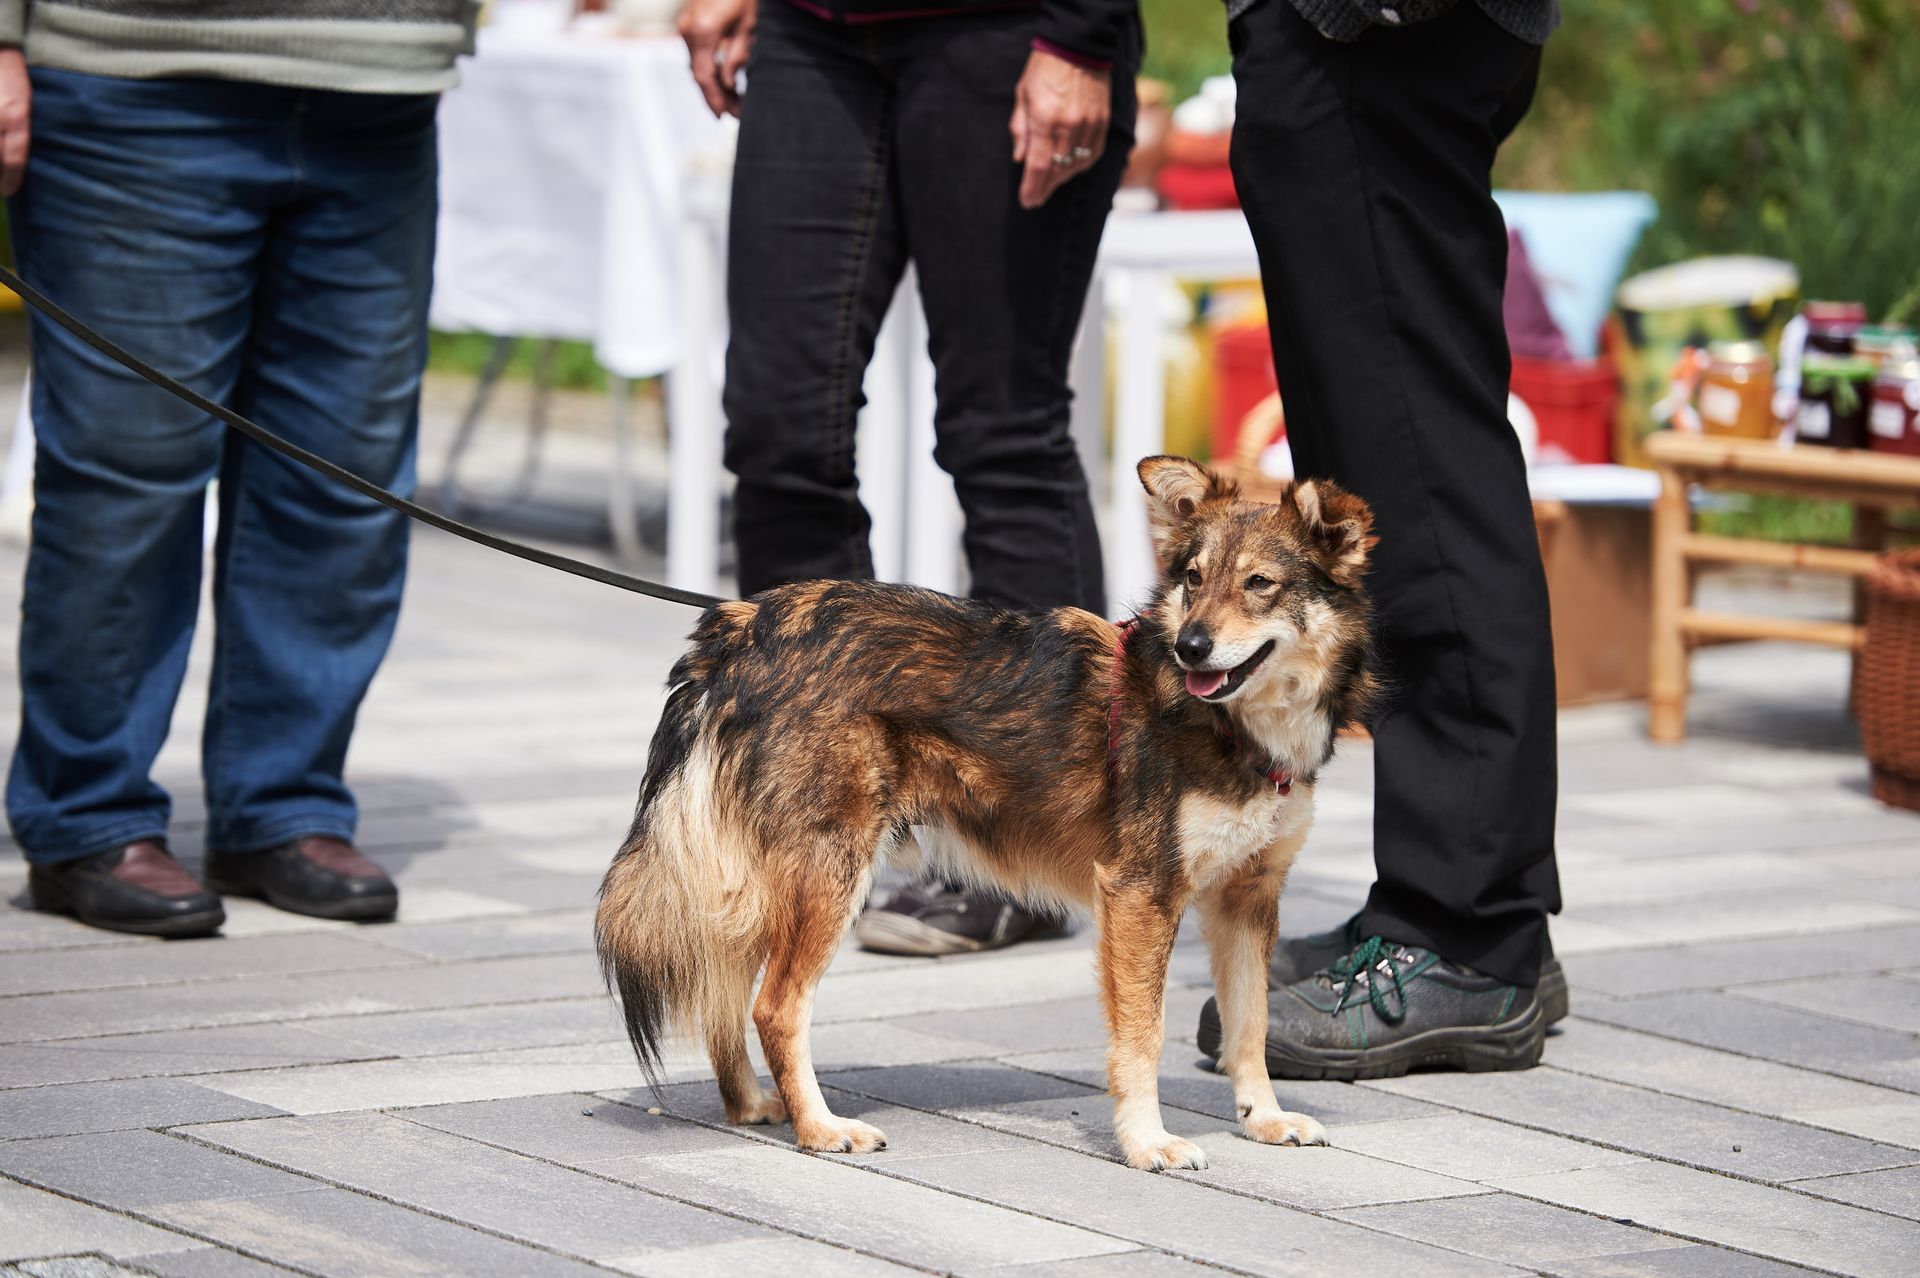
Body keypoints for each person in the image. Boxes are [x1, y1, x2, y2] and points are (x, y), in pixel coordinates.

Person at [0, 1, 476, 936]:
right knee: (129, 476)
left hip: (383, 82)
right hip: (131, 73)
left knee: (344, 482)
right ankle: (85, 815)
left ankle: (282, 805)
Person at [678, 0, 1139, 953]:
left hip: (1008, 29)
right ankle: (815, 803)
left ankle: (1031, 849)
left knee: (1000, 429)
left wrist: (1080, 39)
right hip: (813, 28)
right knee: (778, 426)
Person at [1197, 0, 1568, 1077]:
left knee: (1414, 471)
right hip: (1347, 34)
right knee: (1378, 460)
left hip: (1379, 29)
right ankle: (1467, 912)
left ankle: (1468, 932)